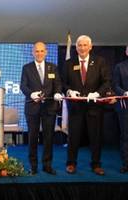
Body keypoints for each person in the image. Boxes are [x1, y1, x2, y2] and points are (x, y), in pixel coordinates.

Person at [62, 35, 111, 175]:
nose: (82, 48)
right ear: (76, 47)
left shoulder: (100, 61)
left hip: (94, 106)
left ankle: (96, 164)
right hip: (76, 107)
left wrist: (97, 93)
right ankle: (71, 163)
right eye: (79, 45)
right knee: (73, 136)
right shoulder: (68, 63)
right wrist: (69, 90)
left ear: (90, 47)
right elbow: (62, 83)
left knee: (95, 136)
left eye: (85, 45)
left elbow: (107, 81)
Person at [20, 41, 63, 175]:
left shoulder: (53, 67)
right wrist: (31, 94)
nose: (39, 53)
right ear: (33, 52)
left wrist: (57, 93)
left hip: (49, 108)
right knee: (32, 138)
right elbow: (23, 86)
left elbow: (58, 84)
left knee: (48, 137)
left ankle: (47, 165)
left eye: (42, 51)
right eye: (36, 51)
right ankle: (33, 166)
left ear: (46, 52)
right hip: (32, 108)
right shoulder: (27, 68)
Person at [113, 46, 128, 173]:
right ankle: (126, 164)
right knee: (125, 136)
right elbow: (115, 85)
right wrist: (124, 92)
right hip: (124, 107)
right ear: (126, 52)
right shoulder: (119, 67)